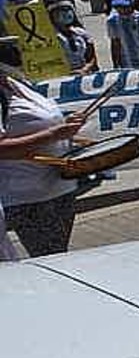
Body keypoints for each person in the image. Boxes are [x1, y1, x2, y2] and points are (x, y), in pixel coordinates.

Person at [0, 36, 87, 256]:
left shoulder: (16, 82)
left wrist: (65, 126)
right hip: (29, 195)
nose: (15, 51)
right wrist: (53, 133)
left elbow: (37, 122)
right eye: (7, 46)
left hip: (59, 187)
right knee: (51, 259)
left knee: (59, 253)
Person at [49, 2, 98, 75]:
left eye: (68, 10)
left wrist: (85, 69)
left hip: (84, 73)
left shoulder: (82, 33)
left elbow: (92, 57)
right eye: (61, 10)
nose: (66, 13)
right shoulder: (51, 37)